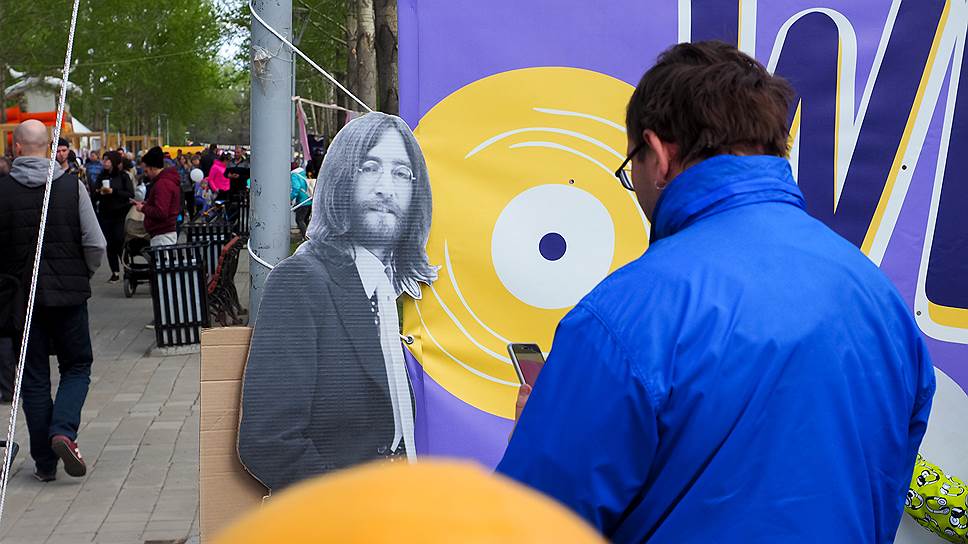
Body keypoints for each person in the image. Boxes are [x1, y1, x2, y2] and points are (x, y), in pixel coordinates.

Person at [496, 42, 935, 543]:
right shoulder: (881, 303)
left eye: (630, 170)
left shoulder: (624, 317)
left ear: (659, 155)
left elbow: (526, 528)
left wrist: (535, 436)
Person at [238, 112, 437, 492]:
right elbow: (267, 441)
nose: (386, 189)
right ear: (341, 178)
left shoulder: (390, 291)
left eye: (401, 174)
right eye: (370, 167)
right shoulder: (300, 281)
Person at [0, 120, 106, 482]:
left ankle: (44, 463)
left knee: (32, 380)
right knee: (77, 367)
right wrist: (81, 275)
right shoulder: (71, 188)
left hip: (20, 304)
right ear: (48, 147)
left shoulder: (2, 192)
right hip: (69, 298)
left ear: (15, 148)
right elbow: (96, 245)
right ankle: (64, 431)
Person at [94, 151, 135, 282]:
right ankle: (115, 272)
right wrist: (100, 192)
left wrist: (114, 191)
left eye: (108, 160)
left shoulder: (123, 176)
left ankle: (127, 267)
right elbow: (94, 195)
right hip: (105, 213)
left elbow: (130, 193)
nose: (105, 162)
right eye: (103, 159)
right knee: (109, 243)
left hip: (120, 213)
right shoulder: (101, 176)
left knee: (119, 240)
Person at [132, 146, 181, 247]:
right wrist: (147, 204)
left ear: (153, 168)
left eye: (146, 171)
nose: (146, 175)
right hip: (163, 233)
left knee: (162, 262)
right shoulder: (165, 181)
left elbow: (161, 212)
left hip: (162, 235)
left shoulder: (162, 184)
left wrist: (143, 208)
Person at [290, 163, 312, 239]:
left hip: (302, 201)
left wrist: (290, 198)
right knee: (305, 220)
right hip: (309, 199)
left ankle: (306, 238)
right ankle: (309, 237)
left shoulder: (294, 175)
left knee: (299, 220)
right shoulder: (302, 173)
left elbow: (296, 187)